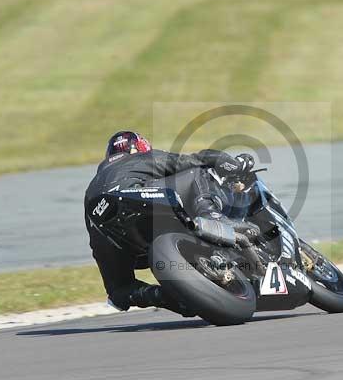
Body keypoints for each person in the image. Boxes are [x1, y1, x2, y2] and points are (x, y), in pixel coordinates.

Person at [84, 130, 256, 315]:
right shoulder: (141, 158)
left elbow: (116, 292)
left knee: (119, 291)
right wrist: (236, 165)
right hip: (136, 197)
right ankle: (212, 216)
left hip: (103, 225)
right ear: (141, 147)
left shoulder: (92, 188)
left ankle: (164, 297)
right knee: (196, 172)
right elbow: (197, 160)